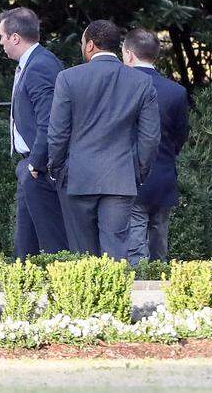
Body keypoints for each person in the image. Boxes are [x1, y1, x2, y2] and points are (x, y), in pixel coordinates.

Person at [46, 19, 160, 260]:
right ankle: (114, 297)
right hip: (120, 179)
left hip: (77, 177)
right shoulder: (141, 82)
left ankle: (86, 298)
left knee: (82, 256)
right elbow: (150, 138)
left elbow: (57, 133)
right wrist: (137, 172)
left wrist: (58, 169)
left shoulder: (68, 79)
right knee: (116, 253)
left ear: (90, 46)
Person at [0, 7, 68, 257]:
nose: (1, 42)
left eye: (3, 36)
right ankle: (23, 285)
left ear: (15, 37)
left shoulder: (40, 66)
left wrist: (36, 164)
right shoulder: (35, 63)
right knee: (25, 243)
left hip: (39, 167)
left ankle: (63, 284)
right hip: (31, 166)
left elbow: (49, 120)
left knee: (52, 240)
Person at [122, 28, 189, 264]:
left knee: (135, 248)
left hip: (130, 175)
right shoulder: (176, 92)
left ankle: (140, 296)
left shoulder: (122, 86)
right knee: (159, 245)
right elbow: (180, 136)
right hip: (163, 175)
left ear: (129, 54)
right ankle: (160, 290)